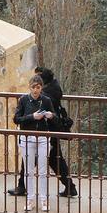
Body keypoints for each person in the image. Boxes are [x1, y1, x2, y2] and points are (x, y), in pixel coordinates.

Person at [10, 67, 78, 198]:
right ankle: (70, 186)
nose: (35, 89)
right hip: (49, 132)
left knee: (32, 160)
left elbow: (39, 113)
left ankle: (22, 187)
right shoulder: (54, 89)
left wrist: (32, 116)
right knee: (55, 160)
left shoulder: (46, 96)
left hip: (44, 133)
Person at [13, 75, 58, 213]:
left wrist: (50, 115)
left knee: (43, 170)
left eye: (38, 87)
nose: (35, 90)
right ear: (29, 87)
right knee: (28, 170)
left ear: (41, 88)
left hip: (43, 138)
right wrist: (32, 117)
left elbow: (54, 118)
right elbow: (16, 119)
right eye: (33, 87)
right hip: (27, 138)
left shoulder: (46, 100)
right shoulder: (23, 100)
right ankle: (30, 198)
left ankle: (44, 199)